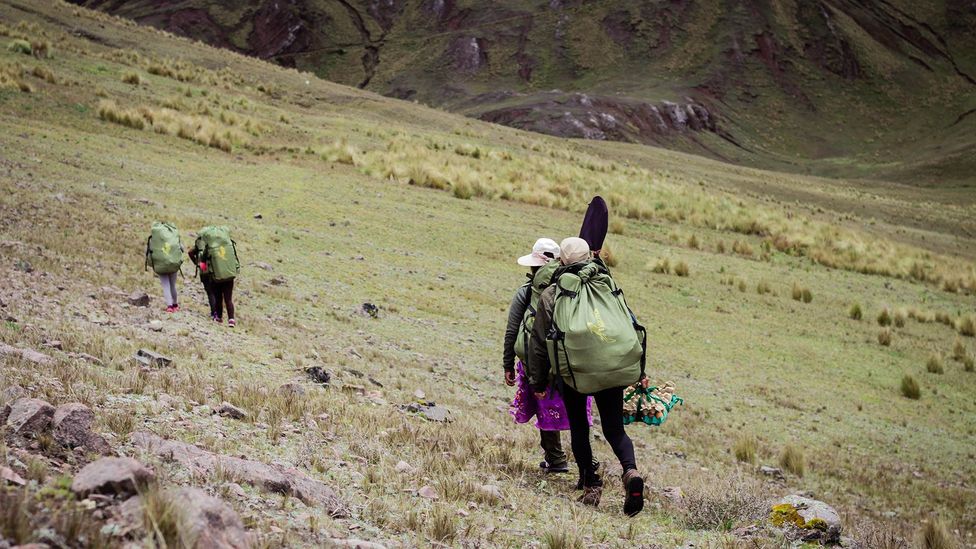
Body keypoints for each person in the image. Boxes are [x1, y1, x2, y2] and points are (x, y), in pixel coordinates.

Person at [527, 236, 646, 516]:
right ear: (590, 258)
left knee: (580, 427)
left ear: (562, 261)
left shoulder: (552, 294)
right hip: (612, 368)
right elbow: (627, 325)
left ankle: (592, 487)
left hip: (574, 374)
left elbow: (539, 342)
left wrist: (538, 380)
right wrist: (640, 370)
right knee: (615, 429)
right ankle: (630, 472)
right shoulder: (607, 285)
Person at [505, 238, 572, 474]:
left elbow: (513, 329)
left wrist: (507, 363)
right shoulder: (571, 290)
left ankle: (555, 458)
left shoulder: (528, 292)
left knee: (545, 408)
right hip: (568, 363)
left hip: (535, 361)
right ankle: (587, 465)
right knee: (574, 413)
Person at [188, 246, 218, 321]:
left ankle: (214, 312)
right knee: (216, 291)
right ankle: (218, 312)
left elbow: (190, 252)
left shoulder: (200, 243)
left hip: (204, 271)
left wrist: (197, 263)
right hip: (215, 270)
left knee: (210, 293)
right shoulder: (215, 242)